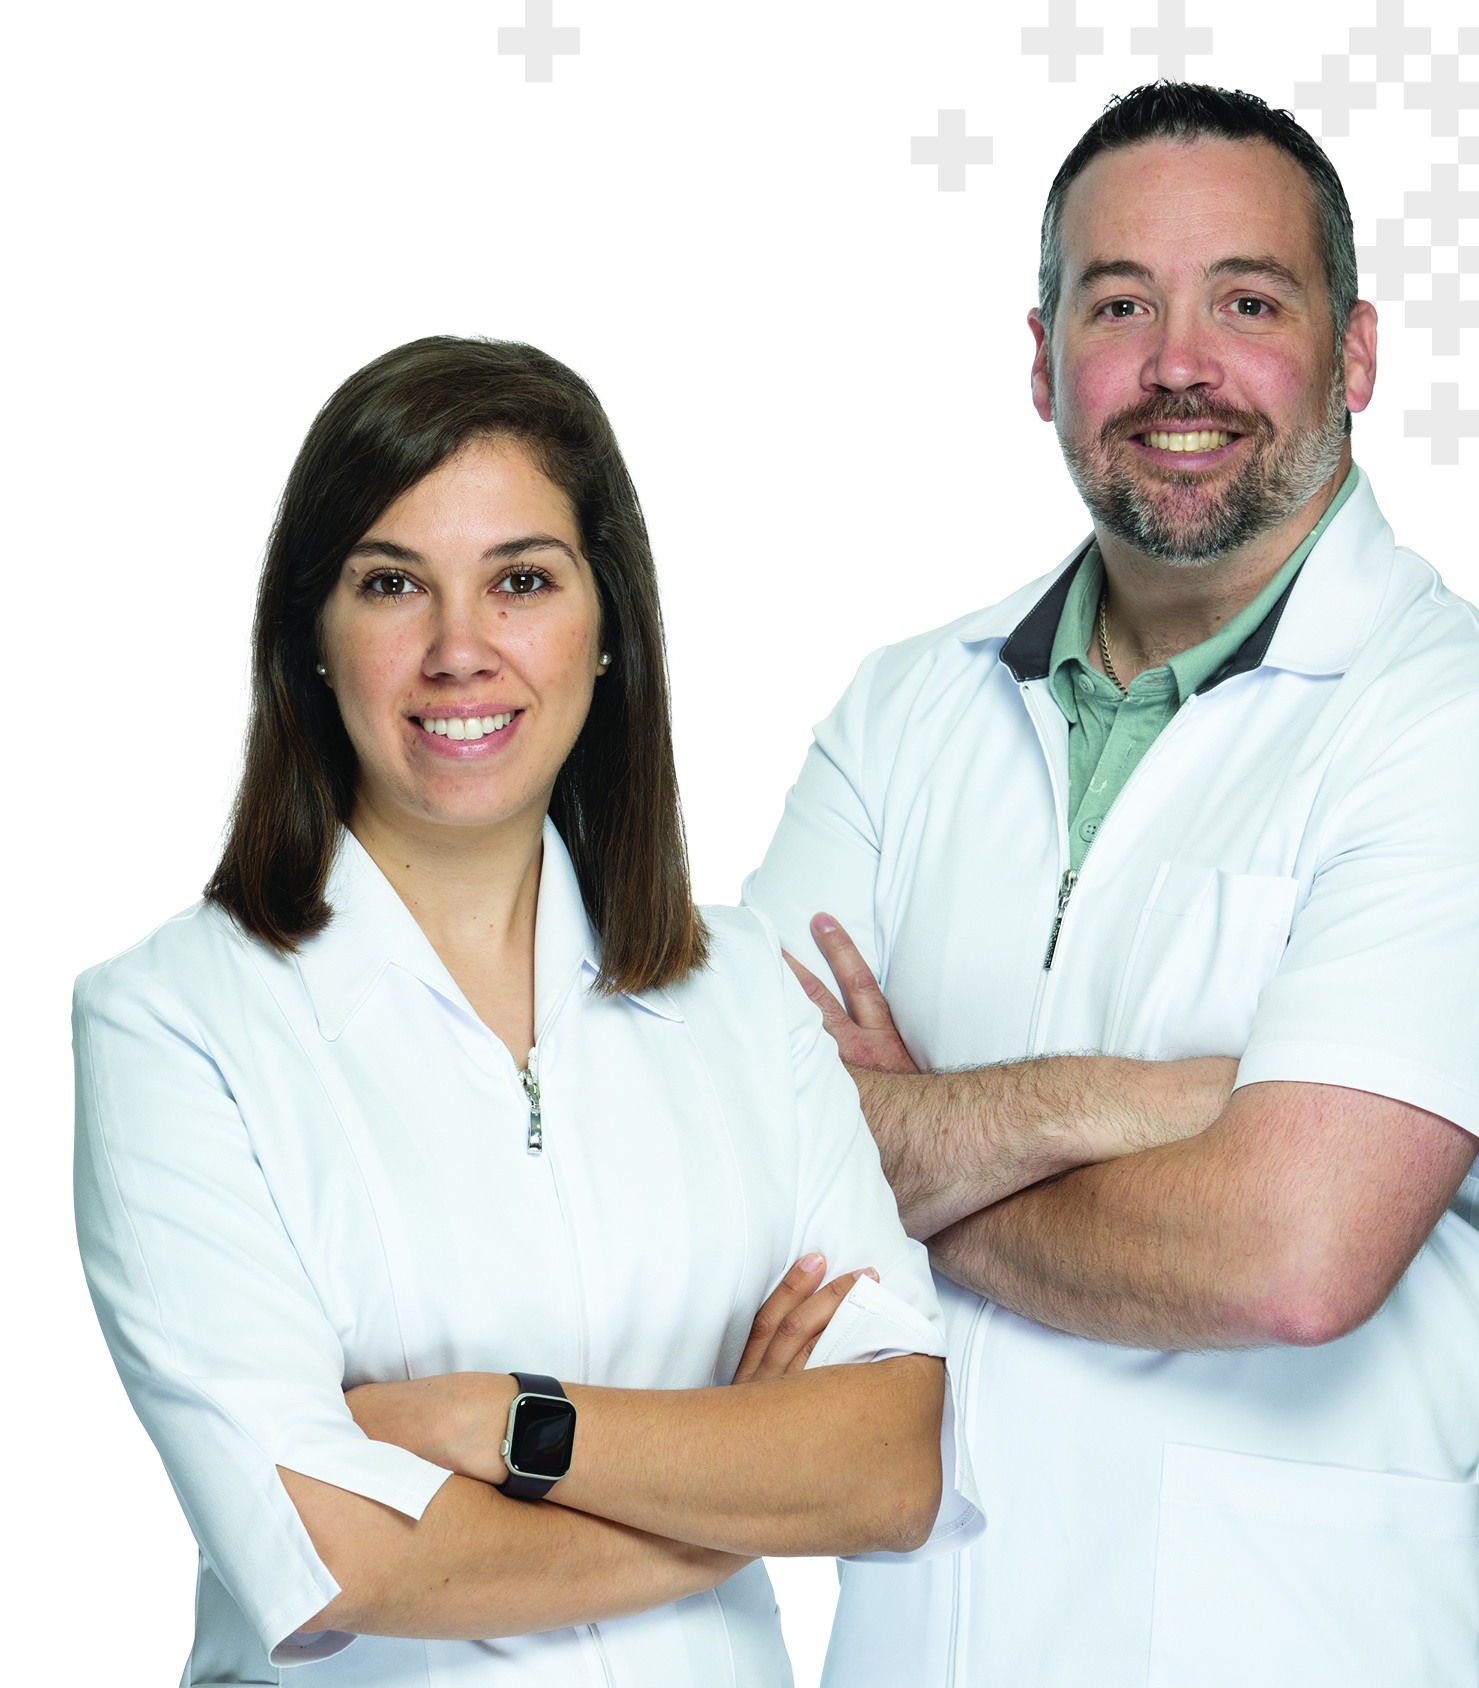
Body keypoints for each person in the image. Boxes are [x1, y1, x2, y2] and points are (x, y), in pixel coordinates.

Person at [744, 83, 1479, 1688]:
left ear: (1354, 354)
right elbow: (731, 1160)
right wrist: (1150, 1102)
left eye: (1247, 302)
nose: (1178, 365)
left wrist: (904, 1155)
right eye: (1119, 304)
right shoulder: (903, 711)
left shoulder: (1463, 730)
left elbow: (1288, 1255)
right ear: (1041, 360)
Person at [73, 336, 980, 1687]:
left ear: (607, 630)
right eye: (393, 584)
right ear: (310, 637)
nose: (460, 651)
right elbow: (342, 1557)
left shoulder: (741, 991)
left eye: (521, 581)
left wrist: (508, 1424)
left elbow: (894, 1461)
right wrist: (736, 1481)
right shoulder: (171, 1026)